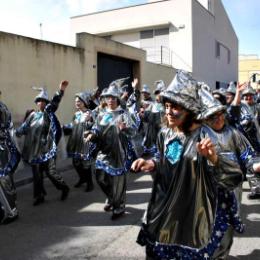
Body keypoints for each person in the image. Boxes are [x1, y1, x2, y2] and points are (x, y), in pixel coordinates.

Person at [131, 70, 243, 259]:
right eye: (166, 106)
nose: (168, 112)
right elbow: (162, 158)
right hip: (163, 208)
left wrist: (214, 159)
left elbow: (234, 176)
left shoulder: (208, 136)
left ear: (189, 109)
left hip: (193, 212)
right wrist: (151, 163)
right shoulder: (165, 134)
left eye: (174, 107)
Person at [84, 79, 137, 220]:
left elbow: (133, 132)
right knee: (100, 176)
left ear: (118, 99)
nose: (110, 100)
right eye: (108, 97)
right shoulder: (102, 114)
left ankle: (119, 207)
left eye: (113, 97)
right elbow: (96, 129)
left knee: (118, 182)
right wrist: (91, 135)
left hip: (119, 152)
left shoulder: (123, 114)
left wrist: (125, 128)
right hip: (104, 152)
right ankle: (112, 197)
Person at [16, 81, 70, 206]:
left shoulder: (48, 113)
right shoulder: (32, 115)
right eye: (39, 100)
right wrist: (15, 133)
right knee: (37, 174)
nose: (41, 102)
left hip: (48, 150)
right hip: (35, 151)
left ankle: (63, 188)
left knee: (51, 172)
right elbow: (24, 128)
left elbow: (55, 102)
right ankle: (39, 195)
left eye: (44, 100)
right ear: (36, 102)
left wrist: (60, 91)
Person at [63, 91, 95, 192]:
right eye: (76, 101)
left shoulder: (90, 113)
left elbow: (94, 127)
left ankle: (90, 183)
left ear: (84, 102)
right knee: (76, 162)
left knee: (86, 163)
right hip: (76, 141)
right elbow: (73, 125)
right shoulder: (76, 114)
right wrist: (64, 126)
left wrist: (89, 121)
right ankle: (82, 178)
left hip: (85, 141)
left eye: (79, 101)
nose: (77, 103)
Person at [0, 100, 20, 224]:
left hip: (3, 150)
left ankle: (12, 212)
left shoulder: (2, 108)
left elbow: (5, 127)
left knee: (5, 180)